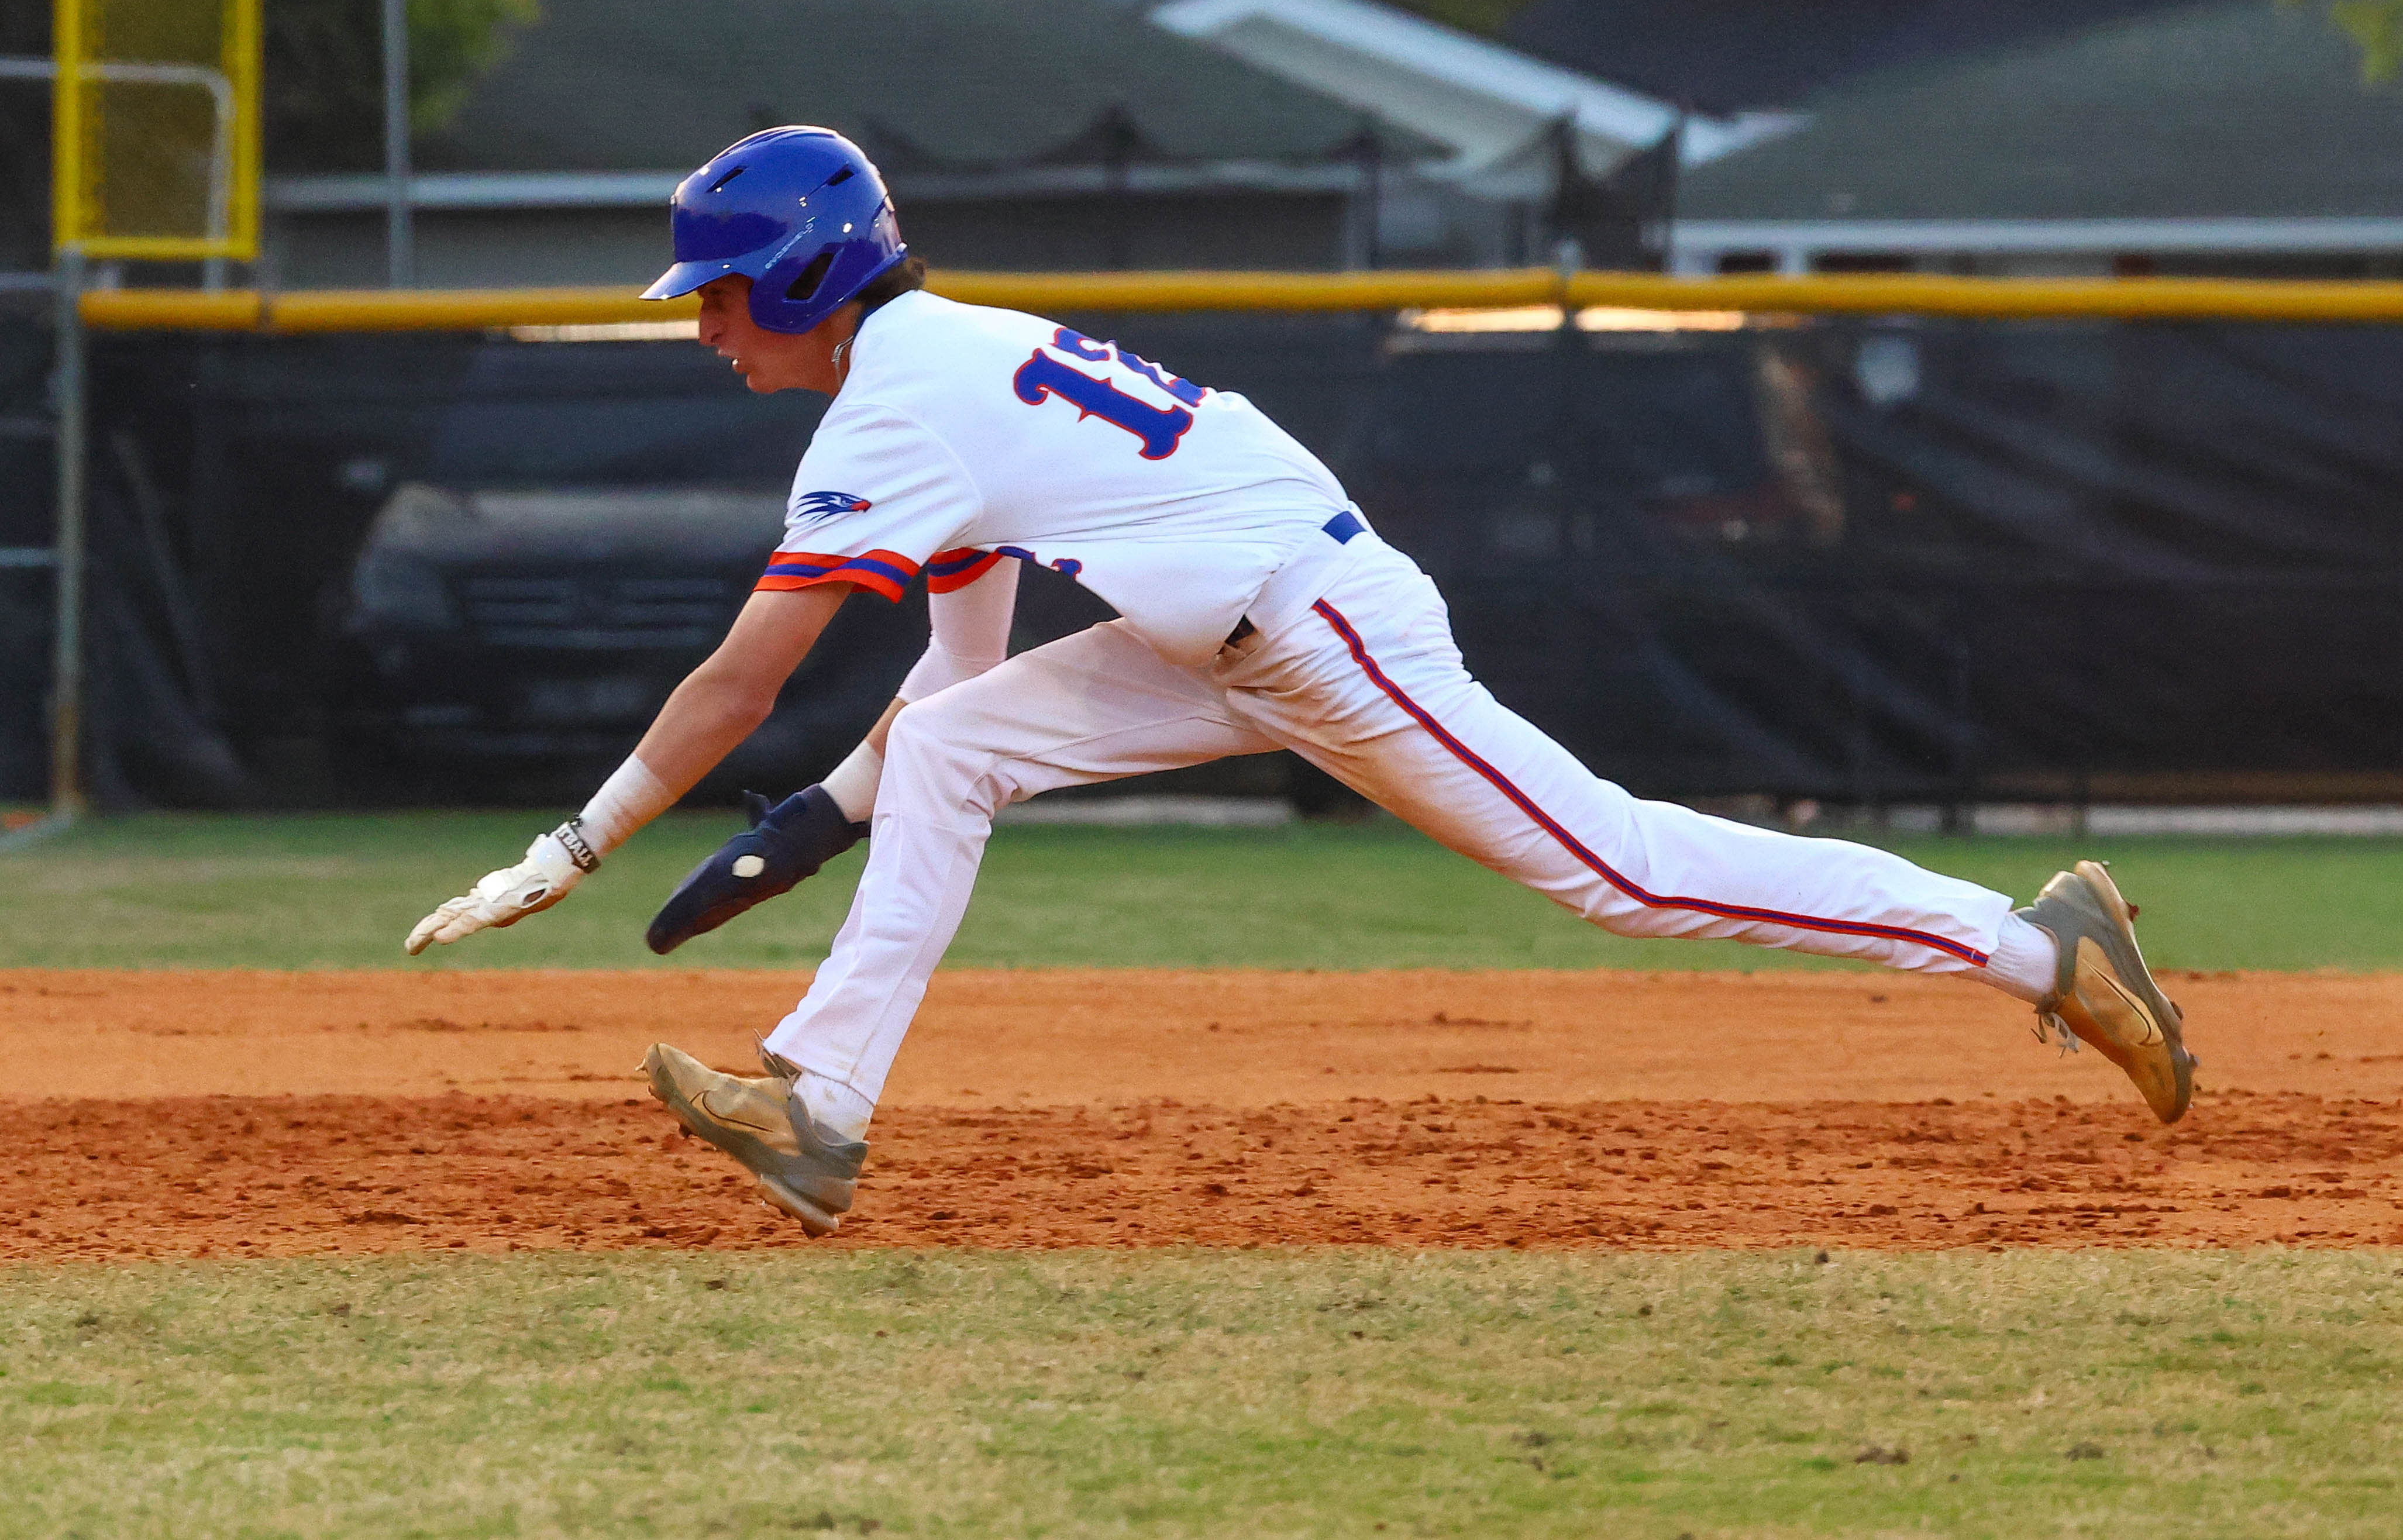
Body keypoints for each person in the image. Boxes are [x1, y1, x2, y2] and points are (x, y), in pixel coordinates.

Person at [406, 126, 2198, 1235]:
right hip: (1220, 627)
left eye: (719, 296)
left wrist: (580, 844)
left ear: (803, 276)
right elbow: (958, 681)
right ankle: (819, 1109)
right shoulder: (931, 381)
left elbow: (737, 677)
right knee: (951, 754)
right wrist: (828, 813)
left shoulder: (896, 405)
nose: (706, 325)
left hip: (1312, 624)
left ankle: (2042, 946)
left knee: (1622, 871)